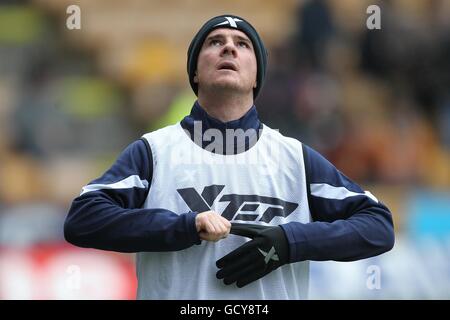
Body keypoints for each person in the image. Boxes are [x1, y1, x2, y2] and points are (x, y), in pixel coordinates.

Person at [64, 14, 395, 299]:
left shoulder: (295, 158)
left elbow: (377, 226)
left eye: (243, 43)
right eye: (214, 42)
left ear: (255, 77)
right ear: (195, 73)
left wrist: (290, 240)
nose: (228, 47)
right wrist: (184, 227)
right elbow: (83, 219)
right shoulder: (154, 152)